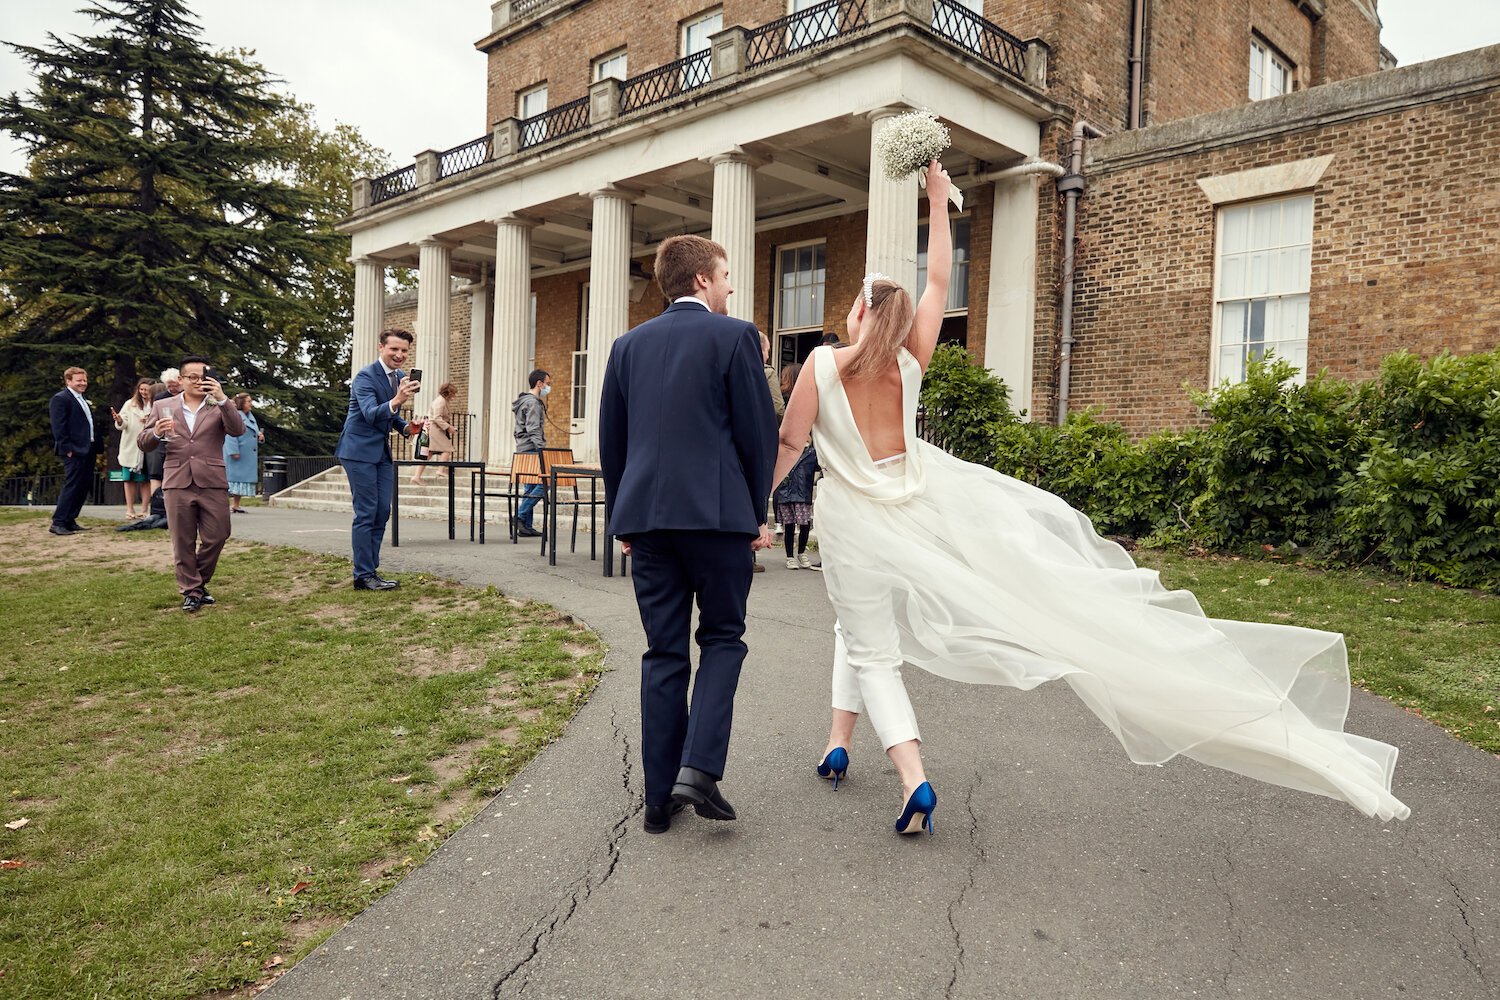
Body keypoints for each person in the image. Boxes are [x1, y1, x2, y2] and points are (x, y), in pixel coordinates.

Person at [771, 160, 1409, 837]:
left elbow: (788, 443)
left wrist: (752, 508)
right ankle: (837, 740)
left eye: (853, 304)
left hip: (855, 525)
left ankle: (913, 777)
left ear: (863, 312)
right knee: (859, 630)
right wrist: (936, 202)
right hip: (919, 508)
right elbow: (936, 279)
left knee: (872, 649)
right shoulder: (911, 358)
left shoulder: (818, 364)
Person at [599, 234, 778, 835]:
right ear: (702, 279)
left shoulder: (626, 346)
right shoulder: (735, 337)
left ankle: (657, 802)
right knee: (724, 638)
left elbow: (613, 443)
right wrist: (759, 513)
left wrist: (622, 518)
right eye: (725, 275)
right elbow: (757, 435)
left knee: (663, 653)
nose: (730, 286)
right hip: (720, 518)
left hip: (647, 521)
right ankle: (698, 771)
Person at [137, 356, 244, 612]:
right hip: (177, 479)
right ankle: (192, 592)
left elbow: (237, 429)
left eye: (203, 377)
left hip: (212, 480)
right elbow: (143, 441)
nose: (198, 382)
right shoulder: (165, 405)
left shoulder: (218, 405)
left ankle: (197, 581)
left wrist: (222, 398)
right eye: (192, 377)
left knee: (218, 535)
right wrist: (156, 433)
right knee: (182, 540)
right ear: (181, 380)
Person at [336, 328, 422, 591]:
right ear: (380, 348)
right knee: (366, 512)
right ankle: (363, 575)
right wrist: (398, 399)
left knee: (383, 511)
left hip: (381, 453)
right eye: (394, 349)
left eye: (404, 350)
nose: (399, 355)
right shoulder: (364, 376)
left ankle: (370, 570)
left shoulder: (396, 377)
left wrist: (408, 428)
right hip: (358, 451)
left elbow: (391, 416)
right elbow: (371, 413)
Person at [48, 366, 100, 536]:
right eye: (79, 380)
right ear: (68, 381)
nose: (83, 383)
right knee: (72, 484)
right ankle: (59, 522)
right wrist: (67, 448)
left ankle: (70, 519)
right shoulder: (61, 399)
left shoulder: (82, 399)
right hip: (74, 450)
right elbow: (59, 426)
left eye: (84, 380)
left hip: (88, 448)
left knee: (83, 485)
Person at [510, 369, 550, 538]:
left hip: (523, 446)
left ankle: (525, 526)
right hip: (532, 448)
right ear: (539, 384)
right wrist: (541, 449)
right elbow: (533, 428)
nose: (548, 387)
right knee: (544, 483)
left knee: (530, 486)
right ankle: (519, 515)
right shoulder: (533, 403)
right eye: (547, 383)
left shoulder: (525, 401)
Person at [112, 377, 155, 518]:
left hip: (148, 446)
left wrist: (148, 421)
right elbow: (123, 423)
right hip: (131, 446)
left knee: (145, 480)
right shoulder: (130, 404)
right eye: (141, 389)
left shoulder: (157, 404)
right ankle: (130, 509)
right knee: (129, 479)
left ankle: (144, 509)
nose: (143, 392)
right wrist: (119, 420)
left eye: (146, 390)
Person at [141, 369, 181, 494]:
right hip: (163, 438)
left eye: (175, 385)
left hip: (180, 439)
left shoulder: (187, 396)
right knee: (156, 473)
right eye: (169, 386)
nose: (173, 389)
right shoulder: (160, 398)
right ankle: (156, 505)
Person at [411, 382, 457, 486]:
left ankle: (417, 476)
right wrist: (448, 427)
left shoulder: (442, 400)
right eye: (453, 393)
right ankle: (440, 470)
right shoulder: (440, 401)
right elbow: (436, 417)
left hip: (434, 429)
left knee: (428, 453)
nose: (454, 396)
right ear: (448, 392)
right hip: (435, 429)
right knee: (447, 449)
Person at [223, 393, 263, 513]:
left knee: (241, 481)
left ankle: (236, 504)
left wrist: (259, 437)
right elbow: (230, 435)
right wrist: (233, 451)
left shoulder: (250, 417)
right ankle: (226, 505)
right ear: (242, 403)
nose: (250, 404)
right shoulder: (235, 416)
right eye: (248, 401)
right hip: (237, 452)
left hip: (247, 454)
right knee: (232, 480)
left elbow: (253, 432)